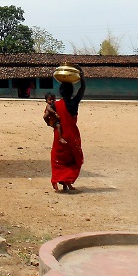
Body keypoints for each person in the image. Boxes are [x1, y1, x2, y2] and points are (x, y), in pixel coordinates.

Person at [50, 65, 86, 193]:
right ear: (72, 92)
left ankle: (65, 183)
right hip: (72, 135)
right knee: (73, 158)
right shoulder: (74, 103)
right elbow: (82, 89)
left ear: (60, 92)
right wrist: (82, 76)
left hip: (59, 136)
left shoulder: (55, 105)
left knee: (59, 160)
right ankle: (67, 182)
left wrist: (55, 125)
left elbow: (47, 118)